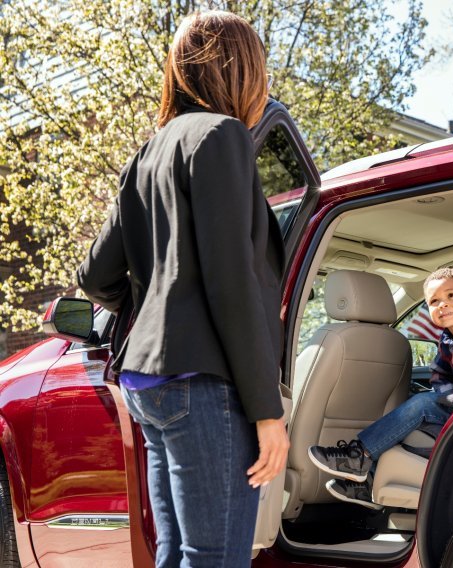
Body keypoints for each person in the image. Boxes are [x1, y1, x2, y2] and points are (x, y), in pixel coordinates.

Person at [76, 11, 289, 567]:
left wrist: (156, 306)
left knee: (177, 554)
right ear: (241, 70)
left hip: (149, 386)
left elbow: (95, 275)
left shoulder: (146, 155)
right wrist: (268, 413)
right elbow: (231, 283)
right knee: (214, 558)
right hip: (205, 387)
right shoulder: (223, 136)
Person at [308, 267, 453, 508]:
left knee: (422, 403)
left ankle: (358, 456)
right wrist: (447, 396)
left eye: (452, 296)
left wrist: (451, 400)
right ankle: (368, 484)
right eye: (434, 301)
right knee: (406, 411)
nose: (442, 305)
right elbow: (439, 375)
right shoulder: (446, 339)